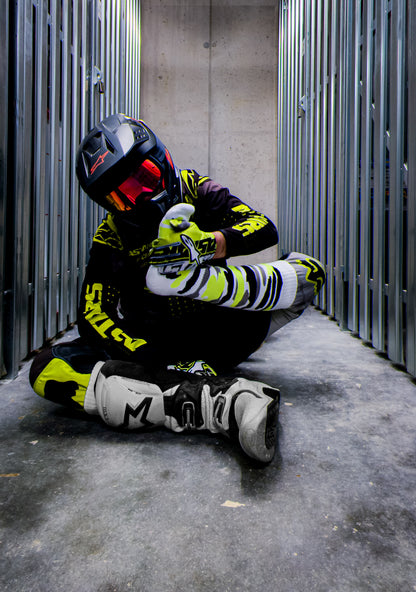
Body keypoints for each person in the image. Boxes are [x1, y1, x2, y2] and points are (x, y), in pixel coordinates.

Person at [30, 113, 325, 463]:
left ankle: (195, 289)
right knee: (47, 368)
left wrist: (209, 244)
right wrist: (142, 353)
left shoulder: (194, 188)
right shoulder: (110, 235)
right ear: (107, 205)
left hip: (219, 327)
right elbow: (93, 314)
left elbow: (263, 228)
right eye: (122, 197)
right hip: (158, 348)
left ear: (162, 159)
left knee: (308, 273)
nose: (139, 198)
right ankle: (219, 400)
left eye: (143, 178)